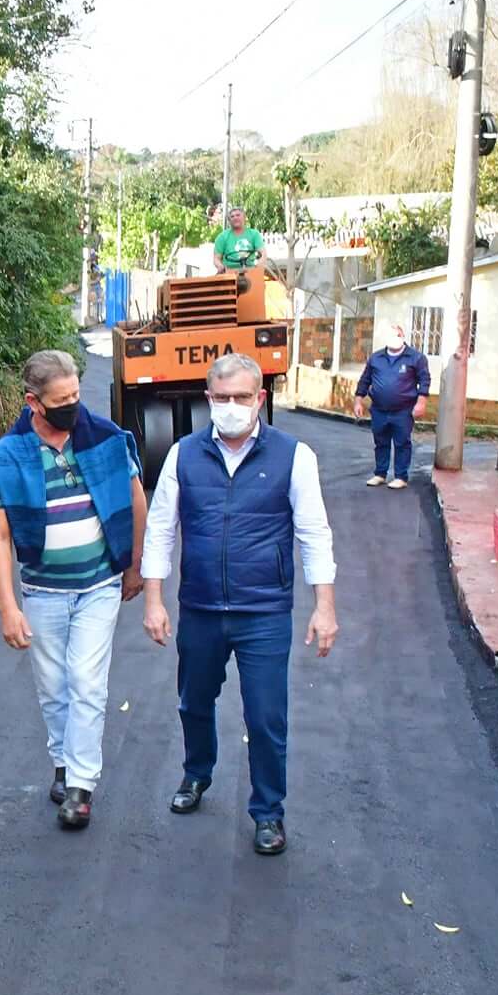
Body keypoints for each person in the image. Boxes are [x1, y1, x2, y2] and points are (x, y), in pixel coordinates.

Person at [140, 353, 337, 856]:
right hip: (201, 610)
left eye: (242, 398)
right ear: (208, 400)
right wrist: (154, 602)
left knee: (266, 716)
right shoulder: (183, 456)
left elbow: (314, 534)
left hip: (264, 614)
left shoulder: (294, 456)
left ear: (260, 400)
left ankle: (268, 812)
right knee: (193, 702)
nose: (231, 407)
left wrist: (324, 606)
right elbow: (161, 530)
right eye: (221, 398)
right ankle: (196, 773)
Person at [0, 350, 148, 831]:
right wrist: (7, 606)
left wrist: (134, 565)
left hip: (99, 585)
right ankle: (63, 760)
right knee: (53, 687)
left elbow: (137, 499)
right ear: (33, 401)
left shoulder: (107, 440)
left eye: (76, 394)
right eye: (62, 399)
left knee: (87, 682)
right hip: (42, 591)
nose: (73, 405)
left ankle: (80, 785)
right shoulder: (10, 455)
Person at [353, 323, 430, 488]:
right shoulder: (376, 358)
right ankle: (380, 474)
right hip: (379, 409)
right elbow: (365, 380)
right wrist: (358, 401)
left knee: (402, 443)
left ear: (402, 337)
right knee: (381, 442)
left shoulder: (416, 358)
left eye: (397, 335)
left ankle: (401, 477)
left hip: (403, 410)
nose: (394, 339)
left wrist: (421, 402)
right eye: (391, 336)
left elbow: (424, 380)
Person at [212, 207, 263, 272]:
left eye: (238, 215)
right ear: (229, 220)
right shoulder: (222, 237)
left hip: (251, 270)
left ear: (244, 218)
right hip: (229, 272)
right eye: (232, 216)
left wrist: (257, 267)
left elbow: (262, 253)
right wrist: (221, 267)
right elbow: (216, 258)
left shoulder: (254, 234)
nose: (235, 218)